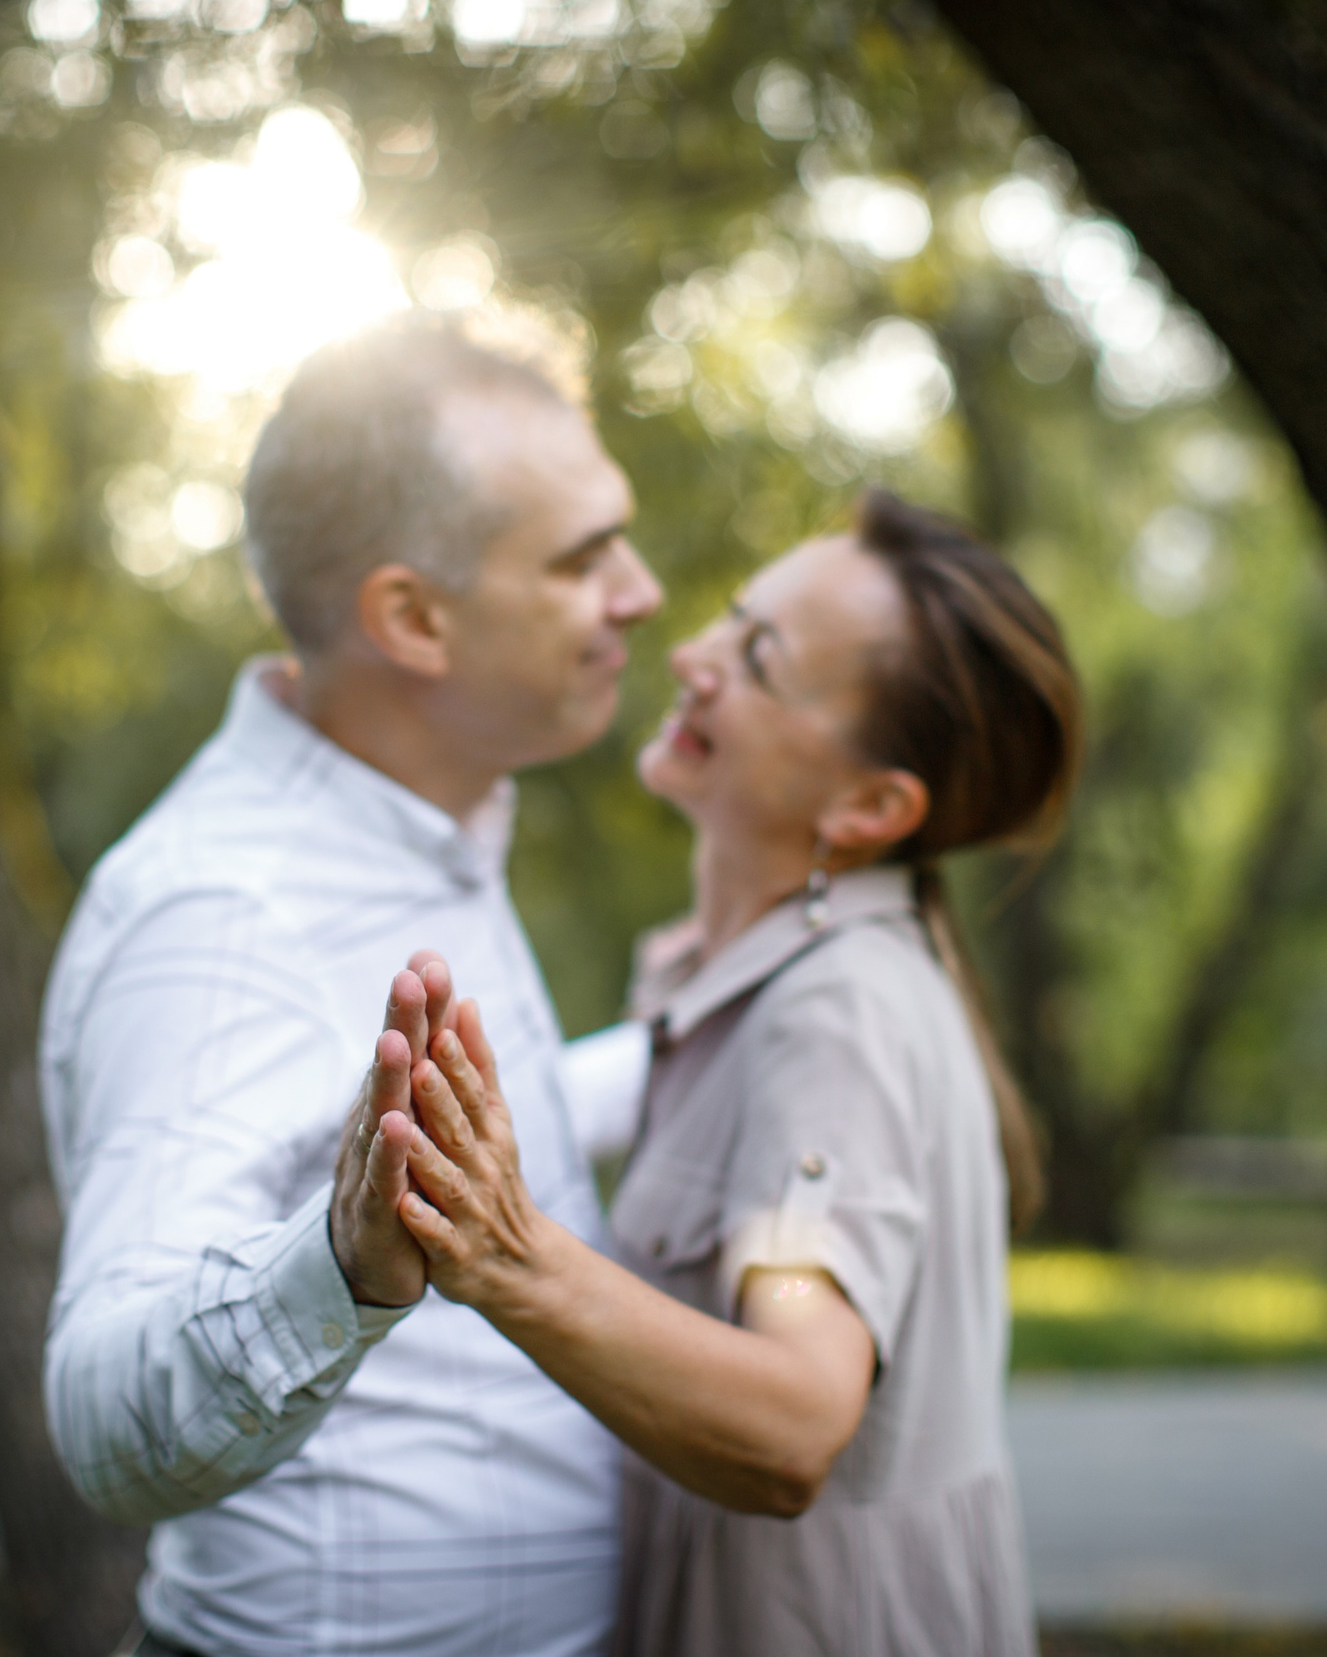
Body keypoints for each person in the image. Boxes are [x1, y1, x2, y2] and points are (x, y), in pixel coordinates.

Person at [38, 318, 663, 1657]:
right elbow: (101, 1418)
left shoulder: (422, 825)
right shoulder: (221, 913)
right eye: (582, 557)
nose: (642, 590)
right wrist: (338, 1266)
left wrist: (719, 1042)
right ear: (412, 618)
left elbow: (469, 1129)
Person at [370, 490, 1081, 1657]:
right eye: (731, 620)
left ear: (869, 804)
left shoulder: (834, 1011)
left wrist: (504, 1254)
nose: (692, 657)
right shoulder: (740, 983)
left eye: (758, 658)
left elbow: (796, 1422)